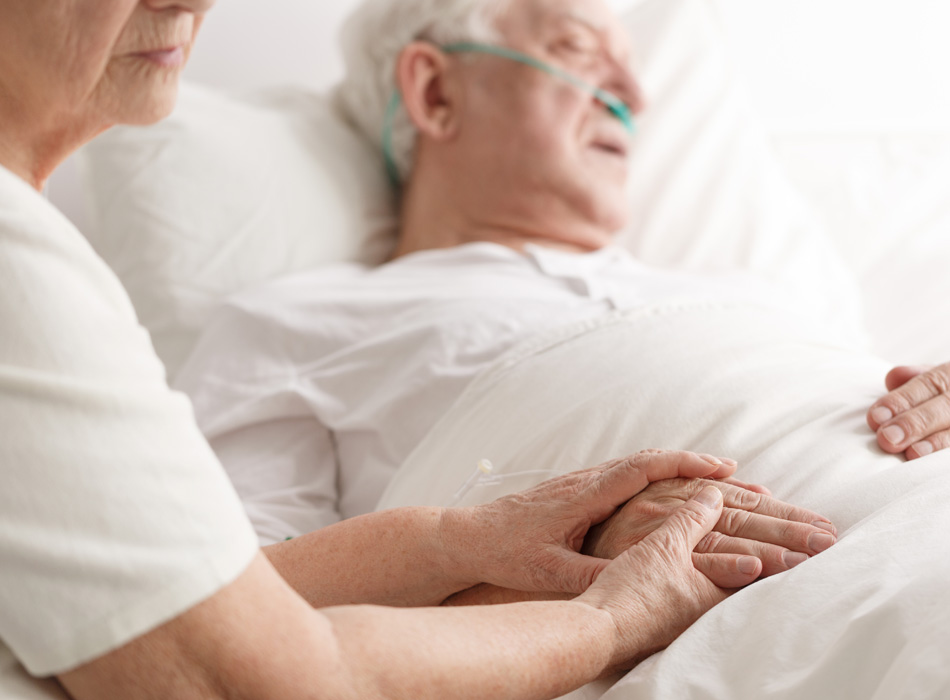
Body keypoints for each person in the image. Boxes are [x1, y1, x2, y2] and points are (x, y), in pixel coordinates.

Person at [0, 1, 834, 699]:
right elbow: (231, 620)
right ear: (434, 92)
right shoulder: (292, 324)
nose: (634, 92)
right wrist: (601, 604)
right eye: (577, 50)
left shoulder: (757, 295)